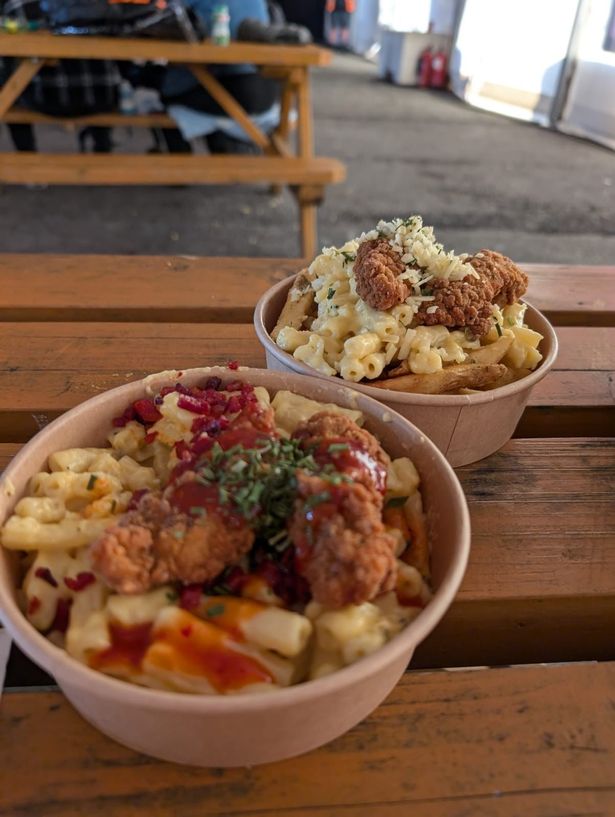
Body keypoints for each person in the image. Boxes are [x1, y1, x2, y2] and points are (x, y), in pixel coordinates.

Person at [0, 0, 121, 153]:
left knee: (10, 85)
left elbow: (7, 61)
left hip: (44, 99)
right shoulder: (102, 6)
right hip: (103, 99)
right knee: (100, 77)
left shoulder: (18, 5)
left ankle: (27, 154)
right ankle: (103, 147)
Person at [160, 0, 279, 154]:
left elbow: (165, 16)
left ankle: (178, 160)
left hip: (237, 90)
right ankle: (219, 146)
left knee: (165, 94)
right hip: (269, 90)